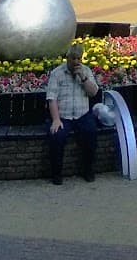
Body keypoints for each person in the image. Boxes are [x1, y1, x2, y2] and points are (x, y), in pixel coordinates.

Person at [46, 44, 100, 185]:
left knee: (91, 133)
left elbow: (93, 92)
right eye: (73, 58)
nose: (76, 62)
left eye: (79, 59)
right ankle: (56, 174)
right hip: (63, 116)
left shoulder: (86, 71)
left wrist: (83, 78)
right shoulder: (57, 74)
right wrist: (56, 119)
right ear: (67, 58)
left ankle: (88, 170)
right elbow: (52, 98)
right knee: (57, 137)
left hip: (82, 114)